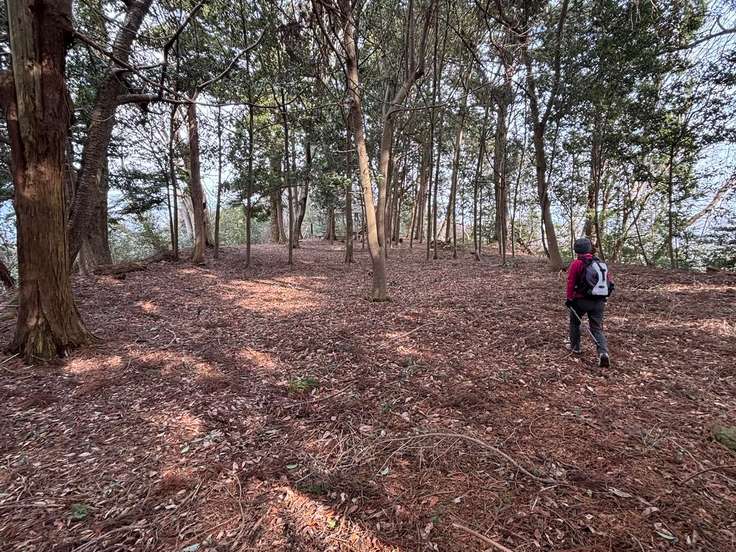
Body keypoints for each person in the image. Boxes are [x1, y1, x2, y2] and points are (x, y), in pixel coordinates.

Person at [565, 238, 613, 367]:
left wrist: (569, 298)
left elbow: (571, 282)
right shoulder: (600, 263)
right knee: (597, 328)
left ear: (576, 250)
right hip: (599, 301)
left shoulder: (576, 263)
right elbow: (609, 281)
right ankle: (603, 352)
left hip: (581, 300)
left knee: (575, 323)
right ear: (589, 248)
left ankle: (575, 347)